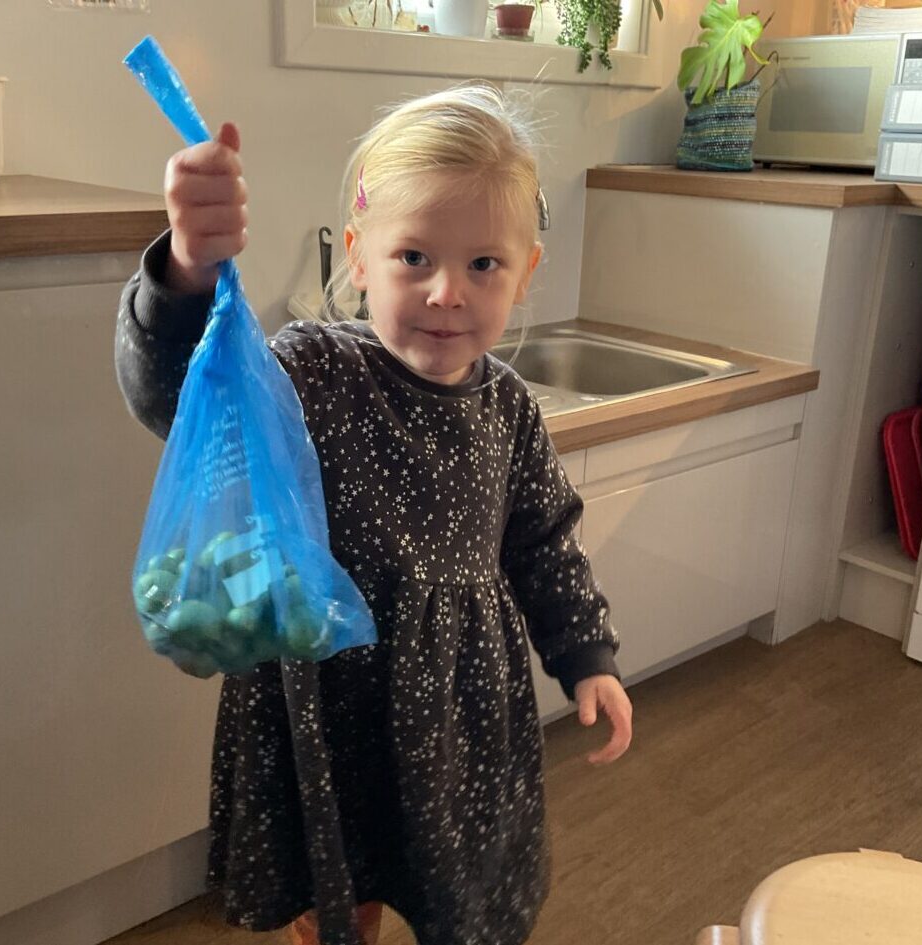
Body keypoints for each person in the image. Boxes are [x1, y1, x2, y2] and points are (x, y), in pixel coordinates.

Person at [114, 83, 633, 945]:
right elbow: (178, 392)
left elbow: (545, 543)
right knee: (334, 906)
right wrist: (185, 273)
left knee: (453, 895)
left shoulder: (509, 408)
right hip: (325, 710)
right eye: (414, 257)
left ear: (526, 272)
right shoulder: (313, 368)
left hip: (456, 721)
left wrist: (588, 657)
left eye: (483, 264)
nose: (446, 292)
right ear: (358, 256)